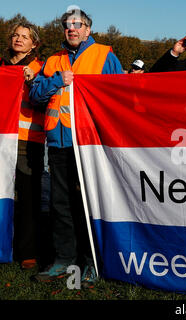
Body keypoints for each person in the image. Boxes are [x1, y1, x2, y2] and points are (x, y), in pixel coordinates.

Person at [29, 8, 123, 287]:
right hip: (57, 144)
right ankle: (63, 259)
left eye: (77, 24)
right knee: (60, 205)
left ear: (87, 29)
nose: (72, 29)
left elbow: (118, 96)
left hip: (89, 145)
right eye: (67, 25)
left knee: (88, 204)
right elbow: (35, 95)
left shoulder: (105, 55)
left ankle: (92, 261)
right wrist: (58, 80)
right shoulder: (53, 60)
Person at [0, 22, 45, 270]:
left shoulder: (40, 68)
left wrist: (33, 82)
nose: (18, 39)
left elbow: (45, 101)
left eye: (25, 37)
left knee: (28, 197)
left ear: (34, 44)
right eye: (15, 35)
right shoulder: (1, 66)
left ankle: (28, 251)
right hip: (2, 140)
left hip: (29, 141)